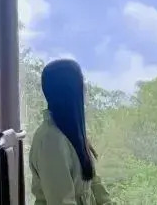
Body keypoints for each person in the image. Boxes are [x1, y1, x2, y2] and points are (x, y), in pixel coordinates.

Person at [29, 59, 112, 204]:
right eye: (82, 83)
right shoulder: (51, 141)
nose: (85, 89)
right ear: (71, 91)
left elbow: (94, 183)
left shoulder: (71, 131)